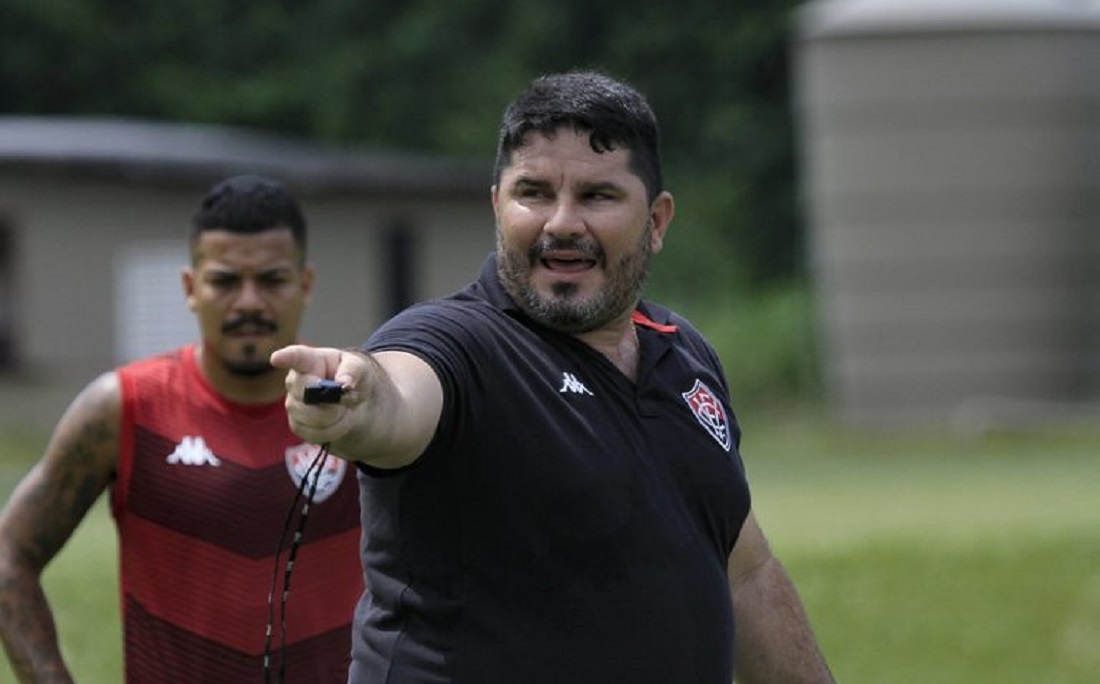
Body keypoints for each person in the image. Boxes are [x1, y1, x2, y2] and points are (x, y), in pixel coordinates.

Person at [271, 71, 835, 684]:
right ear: (496, 205)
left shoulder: (684, 354)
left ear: (657, 220)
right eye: (534, 193)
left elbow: (744, 572)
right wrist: (355, 400)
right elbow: (397, 394)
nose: (562, 223)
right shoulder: (463, 344)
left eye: (598, 196)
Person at [0, 175, 364, 683]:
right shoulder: (123, 407)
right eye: (226, 281)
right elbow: (9, 555)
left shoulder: (354, 407)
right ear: (191, 289)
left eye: (273, 280)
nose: (250, 303)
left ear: (304, 285)